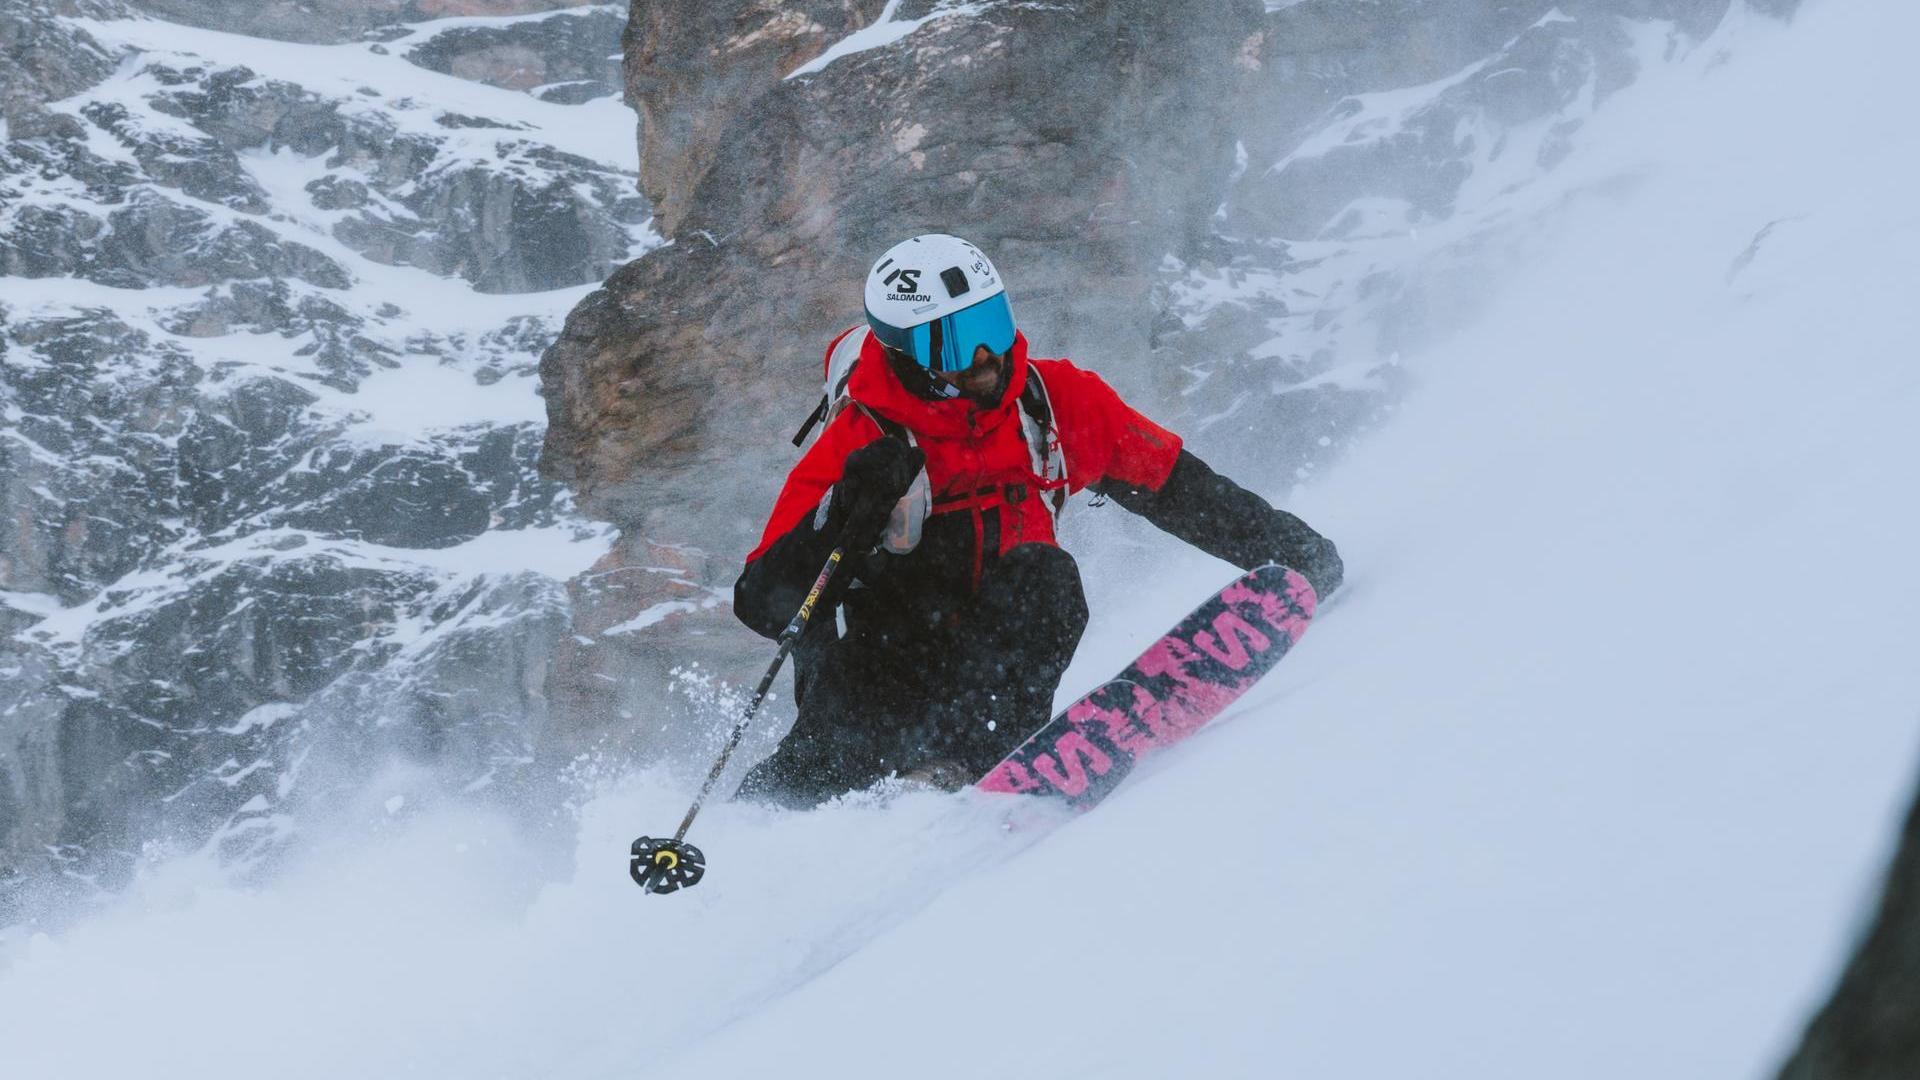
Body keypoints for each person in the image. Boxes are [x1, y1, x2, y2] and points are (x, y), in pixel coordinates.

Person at [732, 234, 1341, 806]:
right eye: (950, 342)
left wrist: (1294, 552)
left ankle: (968, 770)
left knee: (1047, 578)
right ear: (905, 357)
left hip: (989, 667)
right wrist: (843, 509)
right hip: (873, 666)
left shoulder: (1050, 403)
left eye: (989, 324)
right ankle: (745, 850)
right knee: (828, 768)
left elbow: (1177, 489)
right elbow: (762, 603)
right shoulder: (859, 438)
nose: (982, 356)